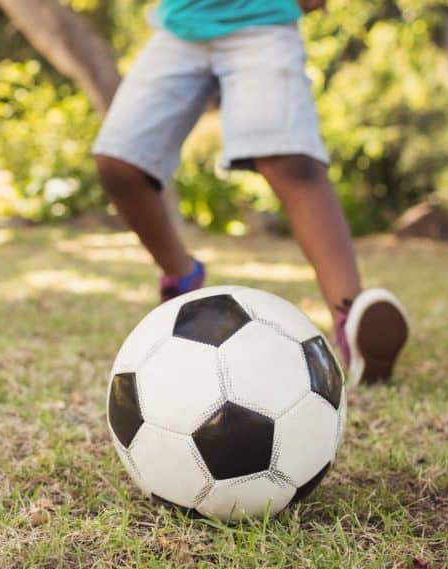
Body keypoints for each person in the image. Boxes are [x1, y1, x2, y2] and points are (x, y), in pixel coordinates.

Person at [92, 0, 408, 386]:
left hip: (264, 19)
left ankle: (352, 319)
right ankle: (183, 276)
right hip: (180, 24)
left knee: (289, 162)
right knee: (118, 162)